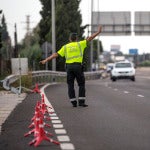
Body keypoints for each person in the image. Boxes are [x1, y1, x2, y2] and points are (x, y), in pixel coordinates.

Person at [40, 25, 102, 107]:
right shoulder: (80, 44)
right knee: (81, 84)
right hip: (78, 67)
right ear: (76, 39)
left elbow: (56, 54)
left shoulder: (65, 47)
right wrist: (98, 32)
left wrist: (46, 60)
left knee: (70, 85)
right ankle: (81, 102)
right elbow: (90, 38)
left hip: (69, 67)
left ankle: (73, 102)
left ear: (69, 39)